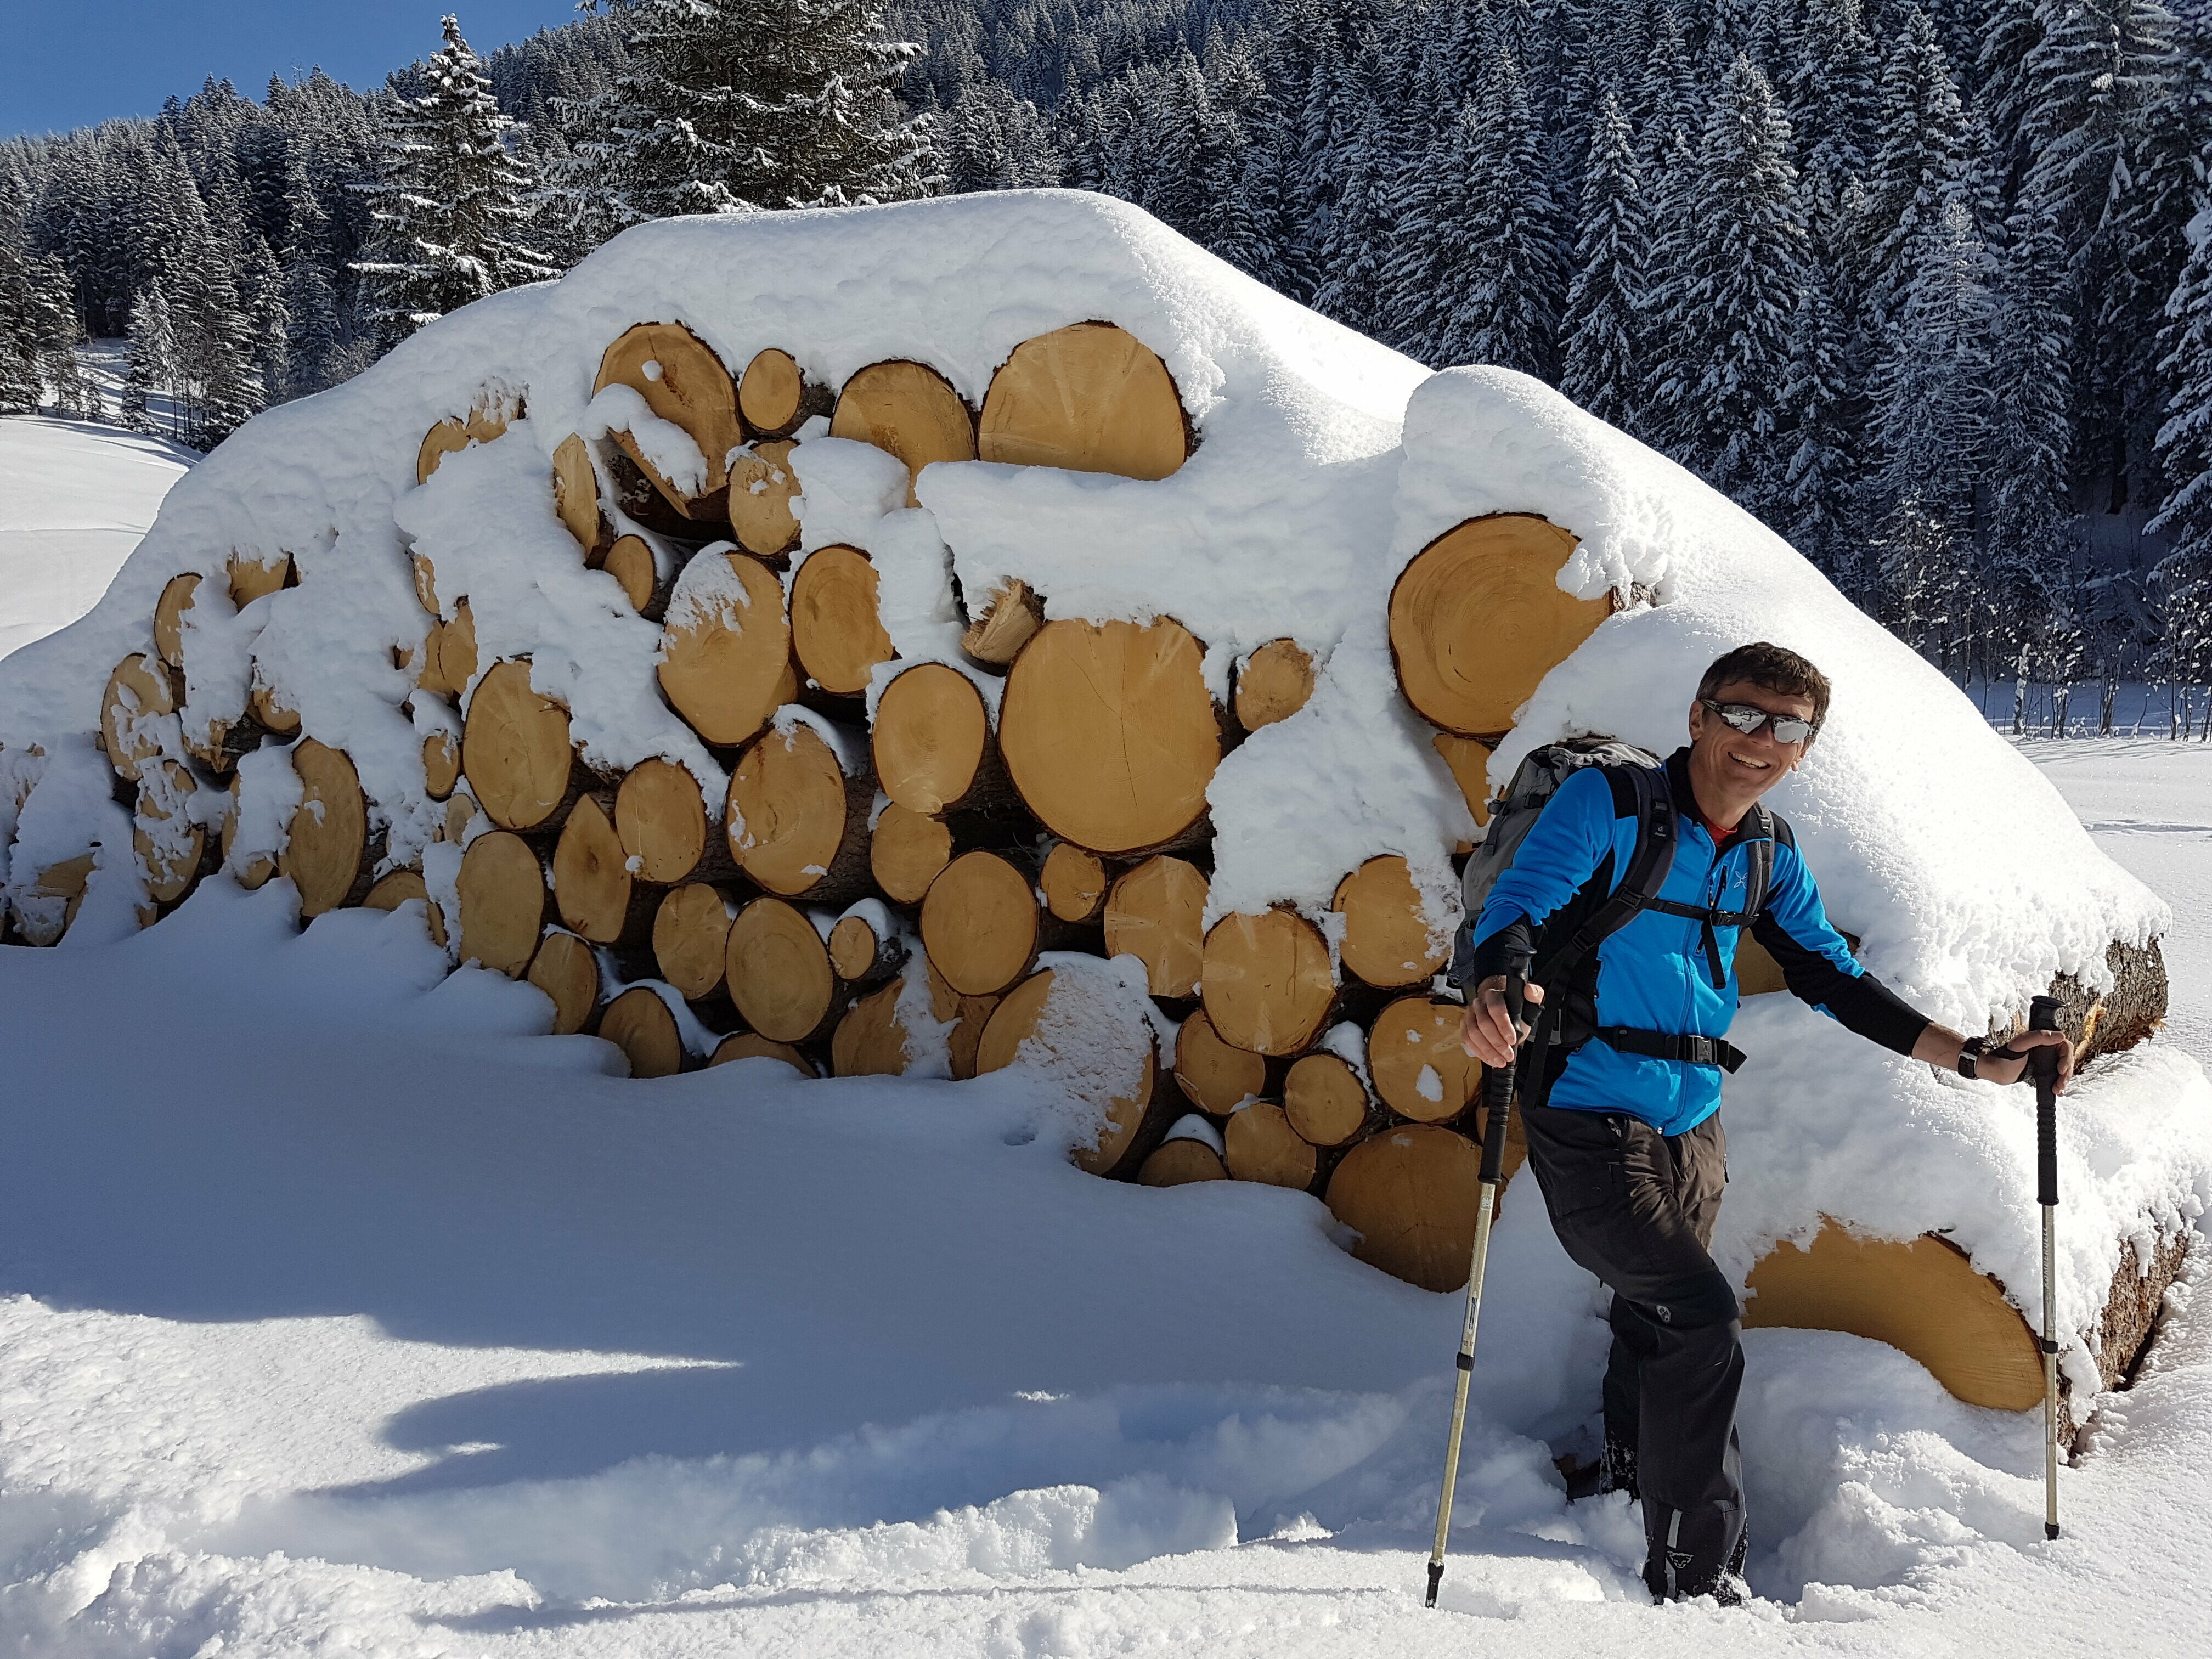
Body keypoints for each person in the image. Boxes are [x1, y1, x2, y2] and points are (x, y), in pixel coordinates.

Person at [1451, 641, 2074, 1605]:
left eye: (1787, 728)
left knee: (1655, 1313)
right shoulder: (1610, 806)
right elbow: (1523, 909)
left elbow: (1831, 976)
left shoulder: (1766, 852)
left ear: (1805, 748)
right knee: (1698, 1316)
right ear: (1699, 716)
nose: (1760, 741)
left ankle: (1627, 1478)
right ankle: (1702, 1576)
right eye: (1743, 715)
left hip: (1693, 1122)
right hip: (1586, 1107)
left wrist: (1975, 1057)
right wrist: (1499, 982)